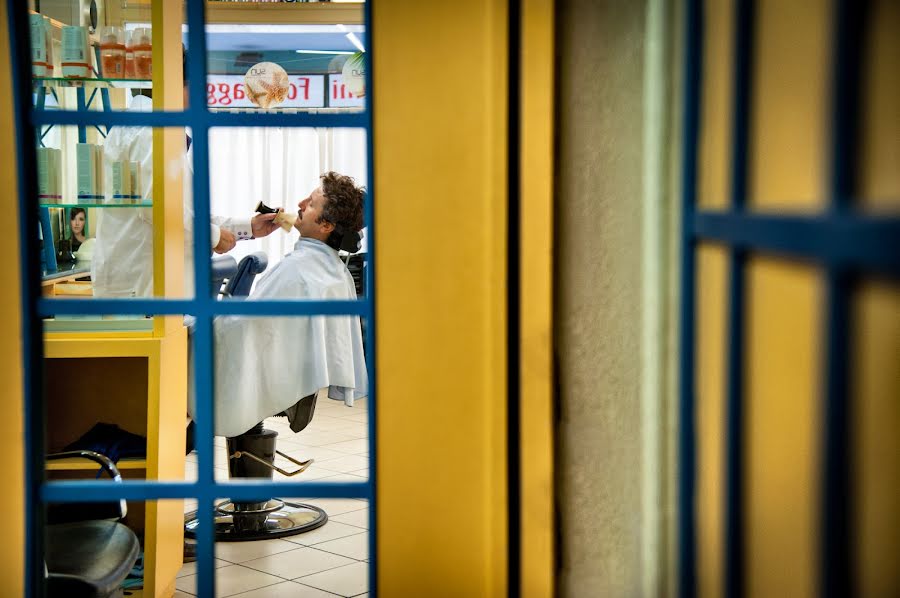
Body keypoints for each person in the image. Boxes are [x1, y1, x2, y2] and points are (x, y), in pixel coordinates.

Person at [192, 171, 368, 438]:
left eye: (310, 203)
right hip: (288, 376)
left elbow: (240, 328)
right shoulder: (331, 268)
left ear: (326, 226)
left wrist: (196, 323)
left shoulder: (300, 269)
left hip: (269, 377)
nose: (299, 203)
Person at [91, 51, 277, 297]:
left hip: (151, 281)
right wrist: (213, 236)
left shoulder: (152, 127)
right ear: (174, 85)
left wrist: (248, 227)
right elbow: (157, 207)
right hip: (142, 283)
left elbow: (184, 210)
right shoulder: (150, 129)